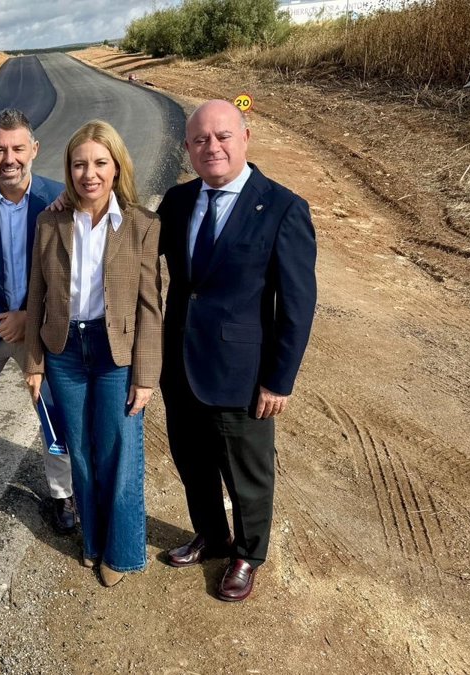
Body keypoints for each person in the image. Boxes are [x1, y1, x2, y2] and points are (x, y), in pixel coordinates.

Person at [157, 100, 317, 601]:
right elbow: (128, 242)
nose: (213, 147)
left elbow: (297, 305)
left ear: (245, 137)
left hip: (242, 374)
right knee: (192, 462)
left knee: (247, 473)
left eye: (223, 136)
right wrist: (72, 204)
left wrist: (279, 380)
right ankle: (211, 535)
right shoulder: (177, 201)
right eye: (200, 139)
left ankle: (248, 554)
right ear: (188, 148)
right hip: (180, 363)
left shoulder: (283, 208)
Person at [25, 120, 163, 587]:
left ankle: (121, 553)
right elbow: (36, 295)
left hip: (114, 354)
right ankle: (92, 541)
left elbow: (150, 306)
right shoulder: (51, 221)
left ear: (116, 166)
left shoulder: (142, 224)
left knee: (118, 452)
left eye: (100, 163)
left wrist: (145, 375)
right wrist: (34, 363)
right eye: (79, 164)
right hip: (64, 352)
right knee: (80, 453)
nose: (90, 174)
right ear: (68, 170)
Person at [0, 108, 78, 533]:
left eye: (18, 148)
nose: (10, 158)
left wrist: (28, 318)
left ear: (34, 149)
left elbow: (72, 273)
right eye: (0, 149)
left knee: (52, 412)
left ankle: (62, 493)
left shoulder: (59, 199)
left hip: (39, 330)